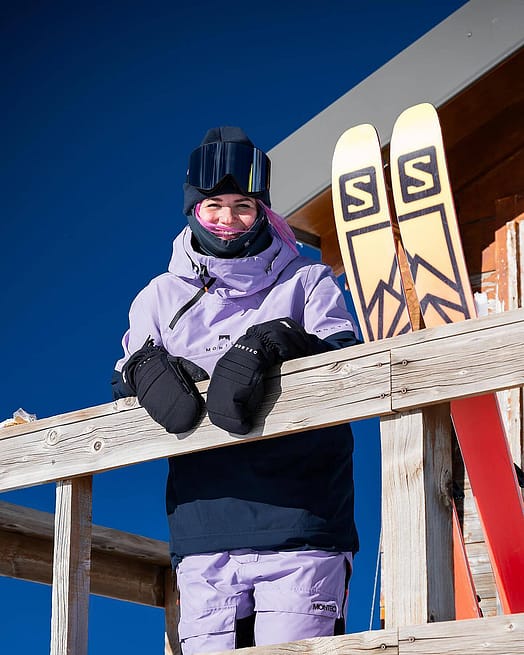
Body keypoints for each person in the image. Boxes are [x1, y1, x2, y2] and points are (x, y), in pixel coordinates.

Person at [111, 126, 360, 654]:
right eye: (214, 206)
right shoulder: (158, 297)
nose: (228, 220)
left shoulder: (306, 283)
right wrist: (141, 372)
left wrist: (278, 339)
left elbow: (346, 367)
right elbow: (124, 387)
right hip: (204, 534)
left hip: (301, 525)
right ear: (193, 209)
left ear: (262, 209)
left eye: (243, 205)